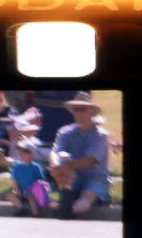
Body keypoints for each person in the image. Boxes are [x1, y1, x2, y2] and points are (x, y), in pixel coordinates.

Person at [49, 92, 114, 220]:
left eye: (82, 109)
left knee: (84, 203)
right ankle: (65, 195)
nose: (79, 112)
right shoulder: (64, 132)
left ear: (90, 111)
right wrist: (56, 164)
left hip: (95, 178)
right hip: (73, 177)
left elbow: (89, 160)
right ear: (72, 112)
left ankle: (65, 207)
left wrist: (64, 167)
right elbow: (54, 153)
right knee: (62, 157)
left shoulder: (100, 135)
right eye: (76, 109)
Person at [8, 140, 52, 218]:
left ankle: (35, 213)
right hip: (21, 191)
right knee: (10, 196)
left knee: (31, 195)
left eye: (25, 152)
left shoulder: (35, 166)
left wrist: (40, 187)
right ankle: (22, 208)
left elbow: (40, 179)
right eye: (20, 151)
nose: (21, 154)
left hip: (32, 191)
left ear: (32, 155)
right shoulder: (16, 166)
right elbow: (14, 178)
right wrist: (16, 189)